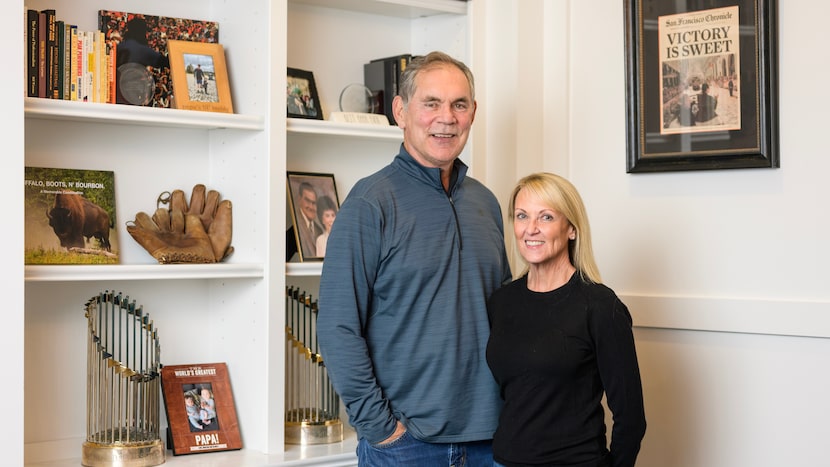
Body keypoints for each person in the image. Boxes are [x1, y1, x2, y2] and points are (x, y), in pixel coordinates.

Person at [317, 51, 512, 466]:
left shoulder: (486, 203)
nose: (447, 117)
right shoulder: (369, 204)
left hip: (495, 441)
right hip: (406, 446)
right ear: (401, 111)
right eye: (431, 103)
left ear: (473, 113)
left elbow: (507, 318)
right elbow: (337, 327)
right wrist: (383, 430)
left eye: (459, 104)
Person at [486, 172, 646, 467]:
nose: (531, 229)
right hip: (503, 462)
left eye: (546, 217)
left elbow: (631, 418)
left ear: (571, 228)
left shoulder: (599, 306)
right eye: (522, 216)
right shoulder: (501, 302)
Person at [294, 182, 323, 258]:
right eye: (307, 201)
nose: (311, 206)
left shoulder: (319, 230)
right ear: (299, 200)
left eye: (313, 203)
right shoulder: (294, 230)